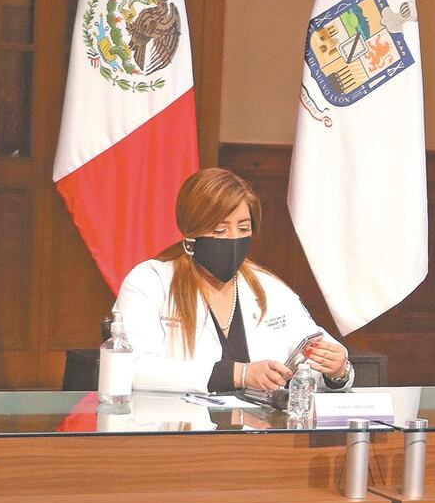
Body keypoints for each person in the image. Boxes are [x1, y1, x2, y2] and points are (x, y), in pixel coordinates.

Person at [114, 168, 351, 394]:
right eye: (219, 230)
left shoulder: (269, 288)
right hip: (178, 428)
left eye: (243, 228)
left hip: (260, 431)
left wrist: (337, 370)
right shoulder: (150, 281)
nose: (233, 239)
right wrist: (240, 374)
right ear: (191, 235)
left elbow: (315, 360)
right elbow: (132, 368)